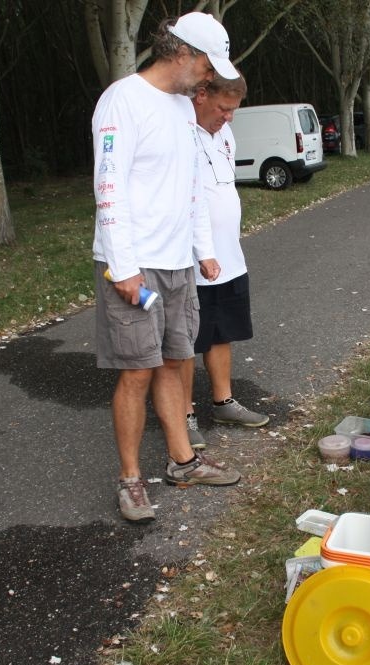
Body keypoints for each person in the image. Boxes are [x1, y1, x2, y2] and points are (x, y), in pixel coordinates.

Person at [92, 12, 242, 523]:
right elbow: (108, 188)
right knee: (137, 371)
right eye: (206, 65)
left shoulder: (182, 107)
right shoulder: (122, 101)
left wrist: (202, 248)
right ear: (183, 52)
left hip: (179, 264)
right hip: (135, 265)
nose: (208, 78)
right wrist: (124, 268)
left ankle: (184, 462)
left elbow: (192, 184)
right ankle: (131, 481)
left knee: (176, 361)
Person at [181, 73, 270, 451]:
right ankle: (182, 415)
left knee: (222, 330)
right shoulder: (180, 132)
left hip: (229, 257)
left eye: (233, 110)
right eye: (223, 109)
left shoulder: (224, 133)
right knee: (185, 340)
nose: (229, 118)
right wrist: (203, 251)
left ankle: (223, 402)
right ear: (201, 96)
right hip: (190, 258)